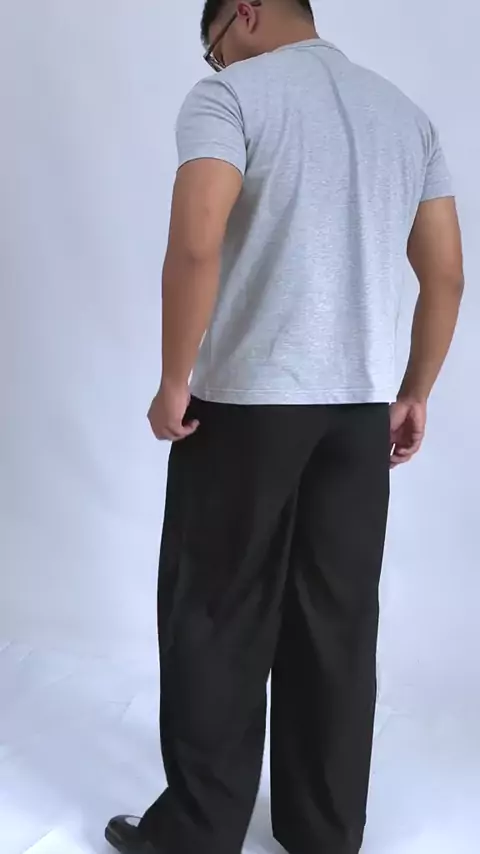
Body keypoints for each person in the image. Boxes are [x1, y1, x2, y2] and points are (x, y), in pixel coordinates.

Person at [105, 1, 464, 853]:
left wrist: (174, 378)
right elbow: (447, 273)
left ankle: (197, 835)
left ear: (246, 13)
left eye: (215, 46)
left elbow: (196, 243)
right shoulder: (404, 116)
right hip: (357, 413)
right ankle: (324, 830)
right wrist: (415, 390)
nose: (217, 62)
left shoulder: (229, 99)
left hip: (246, 407)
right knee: (337, 625)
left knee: (215, 612)